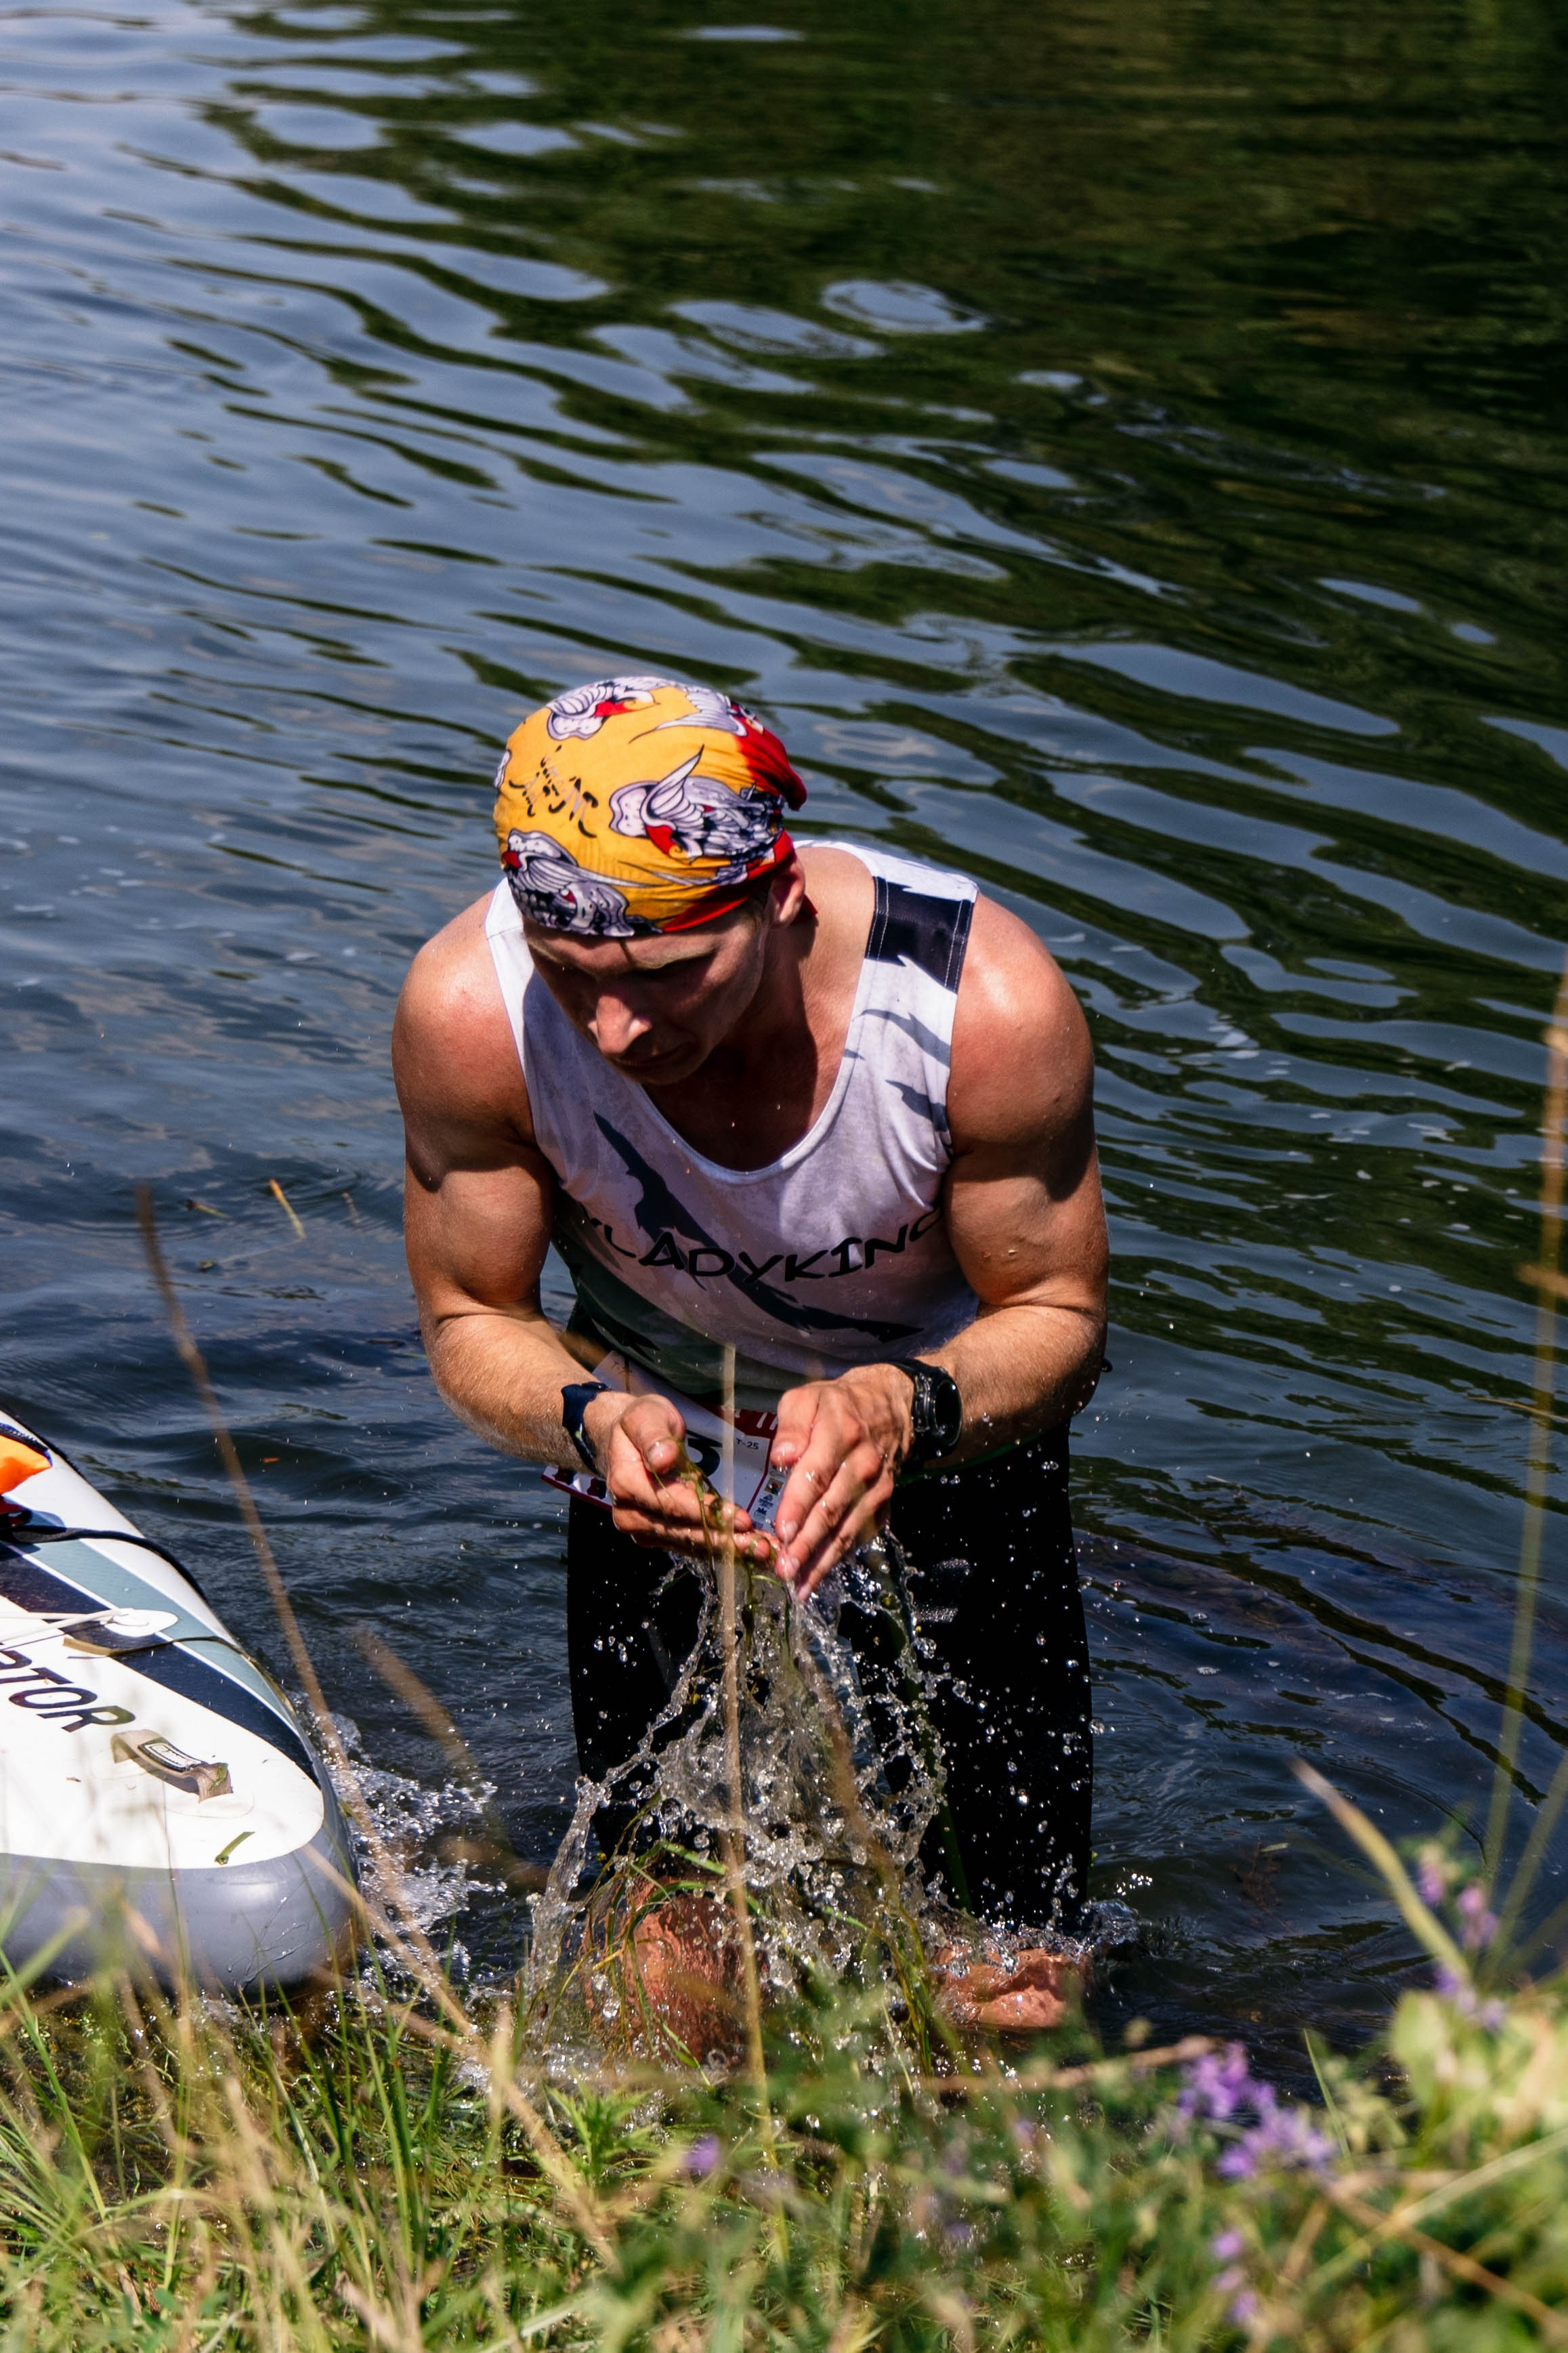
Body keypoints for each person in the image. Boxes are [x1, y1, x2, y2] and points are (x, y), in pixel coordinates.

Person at [394, 676, 1108, 2033]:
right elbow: (471, 1318)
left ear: (780, 909)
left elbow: (1061, 1317)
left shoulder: (981, 1006)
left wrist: (905, 1409)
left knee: (1012, 1989)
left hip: (950, 1437)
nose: (617, 1033)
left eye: (667, 977)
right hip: (660, 1453)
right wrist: (589, 1418)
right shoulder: (473, 1013)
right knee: (668, 1975)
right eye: (577, 981)